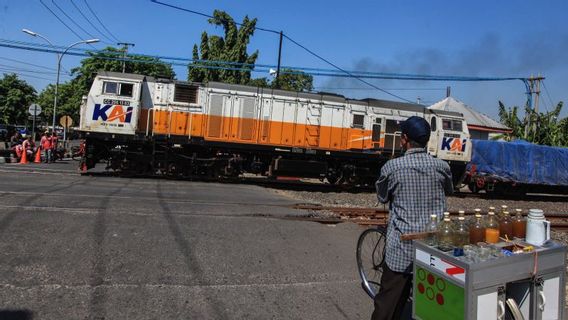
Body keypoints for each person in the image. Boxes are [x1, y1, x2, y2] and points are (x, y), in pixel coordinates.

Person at [372, 116, 454, 320]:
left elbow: (382, 196)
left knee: (387, 304)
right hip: (434, 246)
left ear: (404, 139)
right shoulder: (442, 167)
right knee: (433, 302)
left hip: (402, 247)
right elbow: (449, 191)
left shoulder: (392, 167)